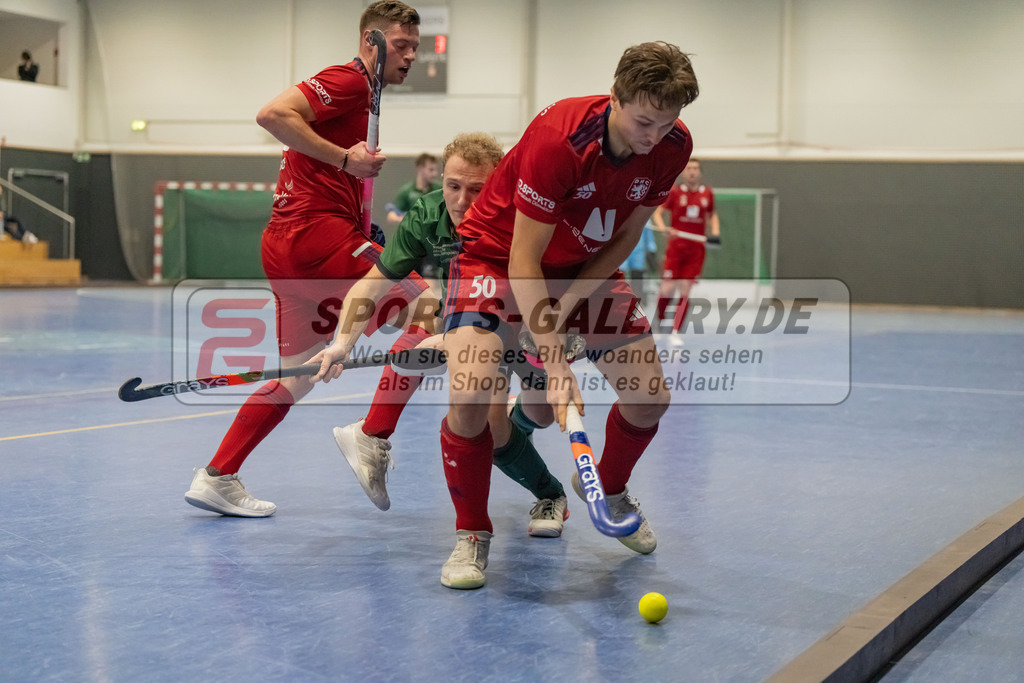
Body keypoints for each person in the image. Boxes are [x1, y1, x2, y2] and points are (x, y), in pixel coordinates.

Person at [437, 41, 699, 588]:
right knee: (471, 395)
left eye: (668, 122)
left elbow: (627, 234)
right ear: (615, 98)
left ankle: (608, 485)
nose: (655, 136)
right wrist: (555, 363)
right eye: (645, 121)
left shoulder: (673, 145)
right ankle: (471, 533)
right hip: (499, 253)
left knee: (650, 396)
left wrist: (572, 303)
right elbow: (523, 260)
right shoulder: (561, 139)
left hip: (584, 261)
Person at [184, 1, 422, 518]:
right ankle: (371, 434)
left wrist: (358, 216)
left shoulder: (364, 95)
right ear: (371, 43)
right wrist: (344, 159)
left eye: (414, 48)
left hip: (289, 243)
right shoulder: (351, 81)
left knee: (297, 375)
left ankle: (218, 475)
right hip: (316, 235)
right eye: (400, 46)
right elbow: (271, 114)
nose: (410, 57)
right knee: (432, 312)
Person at [311, 132, 568, 537]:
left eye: (477, 189)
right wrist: (342, 343)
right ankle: (551, 494)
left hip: (531, 320)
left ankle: (521, 411)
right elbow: (370, 285)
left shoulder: (521, 215)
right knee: (492, 430)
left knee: (541, 416)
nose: (462, 201)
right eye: (453, 186)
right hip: (477, 321)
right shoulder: (428, 215)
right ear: (441, 181)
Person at [652, 158, 720, 342]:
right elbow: (658, 213)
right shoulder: (674, 193)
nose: (692, 172)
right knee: (667, 289)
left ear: (700, 172)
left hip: (696, 250)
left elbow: (712, 216)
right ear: (683, 172)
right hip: (675, 248)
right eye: (689, 168)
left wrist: (715, 233)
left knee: (685, 289)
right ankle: (660, 320)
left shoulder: (707, 194)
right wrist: (664, 228)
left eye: (696, 168)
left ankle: (676, 330)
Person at [385, 152, 441, 225]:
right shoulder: (407, 191)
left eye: (435, 170)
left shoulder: (440, 190)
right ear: (420, 168)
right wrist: (409, 220)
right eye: (431, 170)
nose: (435, 174)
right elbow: (391, 217)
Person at [620, 219, 658, 310]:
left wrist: (652, 250)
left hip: (637, 253)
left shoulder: (646, 219)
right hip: (620, 252)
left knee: (637, 280)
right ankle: (620, 303)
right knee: (620, 279)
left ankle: (637, 305)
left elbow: (649, 237)